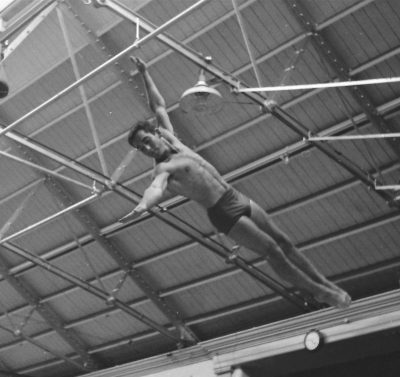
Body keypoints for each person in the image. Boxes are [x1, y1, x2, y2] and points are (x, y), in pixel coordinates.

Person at [122, 57, 351, 309]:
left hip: (234, 196)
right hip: (222, 212)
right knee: (272, 250)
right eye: (140, 148)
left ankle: (326, 284)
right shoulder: (162, 170)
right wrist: (143, 206)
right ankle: (318, 291)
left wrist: (144, 73)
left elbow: (159, 106)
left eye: (145, 140)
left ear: (154, 133)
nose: (145, 148)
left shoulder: (169, 137)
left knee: (284, 241)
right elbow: (154, 190)